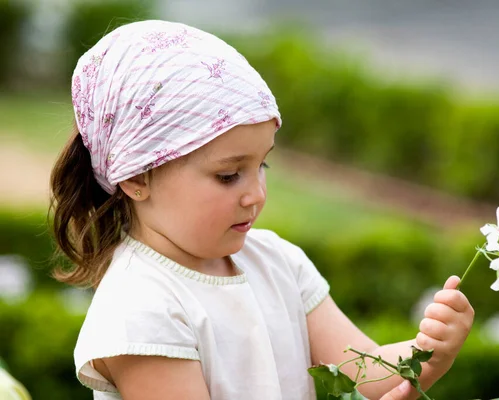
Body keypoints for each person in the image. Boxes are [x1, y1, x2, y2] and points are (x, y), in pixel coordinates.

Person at [49, 20, 474, 400]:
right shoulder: (140, 309)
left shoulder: (277, 261)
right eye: (229, 175)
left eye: (262, 164)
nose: (255, 194)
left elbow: (361, 371)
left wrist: (428, 352)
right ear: (137, 177)